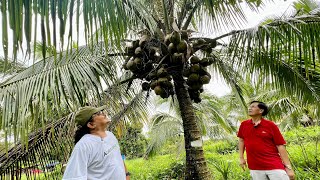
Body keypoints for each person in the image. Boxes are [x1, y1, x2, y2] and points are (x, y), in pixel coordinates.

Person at [62, 105, 130, 180]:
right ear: (91, 125)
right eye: (98, 114)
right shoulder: (83, 145)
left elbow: (118, 158)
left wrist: (127, 175)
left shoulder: (110, 135)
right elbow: (73, 177)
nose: (103, 114)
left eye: (101, 112)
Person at [237, 101, 295, 180]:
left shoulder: (270, 125)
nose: (250, 108)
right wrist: (241, 158)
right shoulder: (244, 125)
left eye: (253, 106)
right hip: (255, 167)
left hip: (274, 165)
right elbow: (241, 140)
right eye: (250, 107)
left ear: (261, 111)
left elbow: (280, 145)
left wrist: (288, 168)